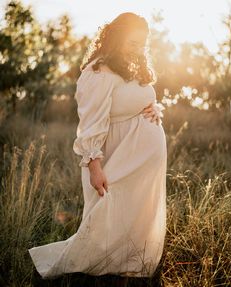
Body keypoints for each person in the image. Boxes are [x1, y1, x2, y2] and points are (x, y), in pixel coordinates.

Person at [28, 12, 167, 279]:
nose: (138, 49)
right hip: (116, 151)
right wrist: (94, 165)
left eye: (142, 43)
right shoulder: (98, 71)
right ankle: (94, 266)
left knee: (135, 213)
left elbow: (137, 99)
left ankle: (130, 262)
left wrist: (154, 110)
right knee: (107, 211)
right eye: (132, 42)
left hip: (142, 160)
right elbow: (91, 122)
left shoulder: (134, 64)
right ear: (116, 37)